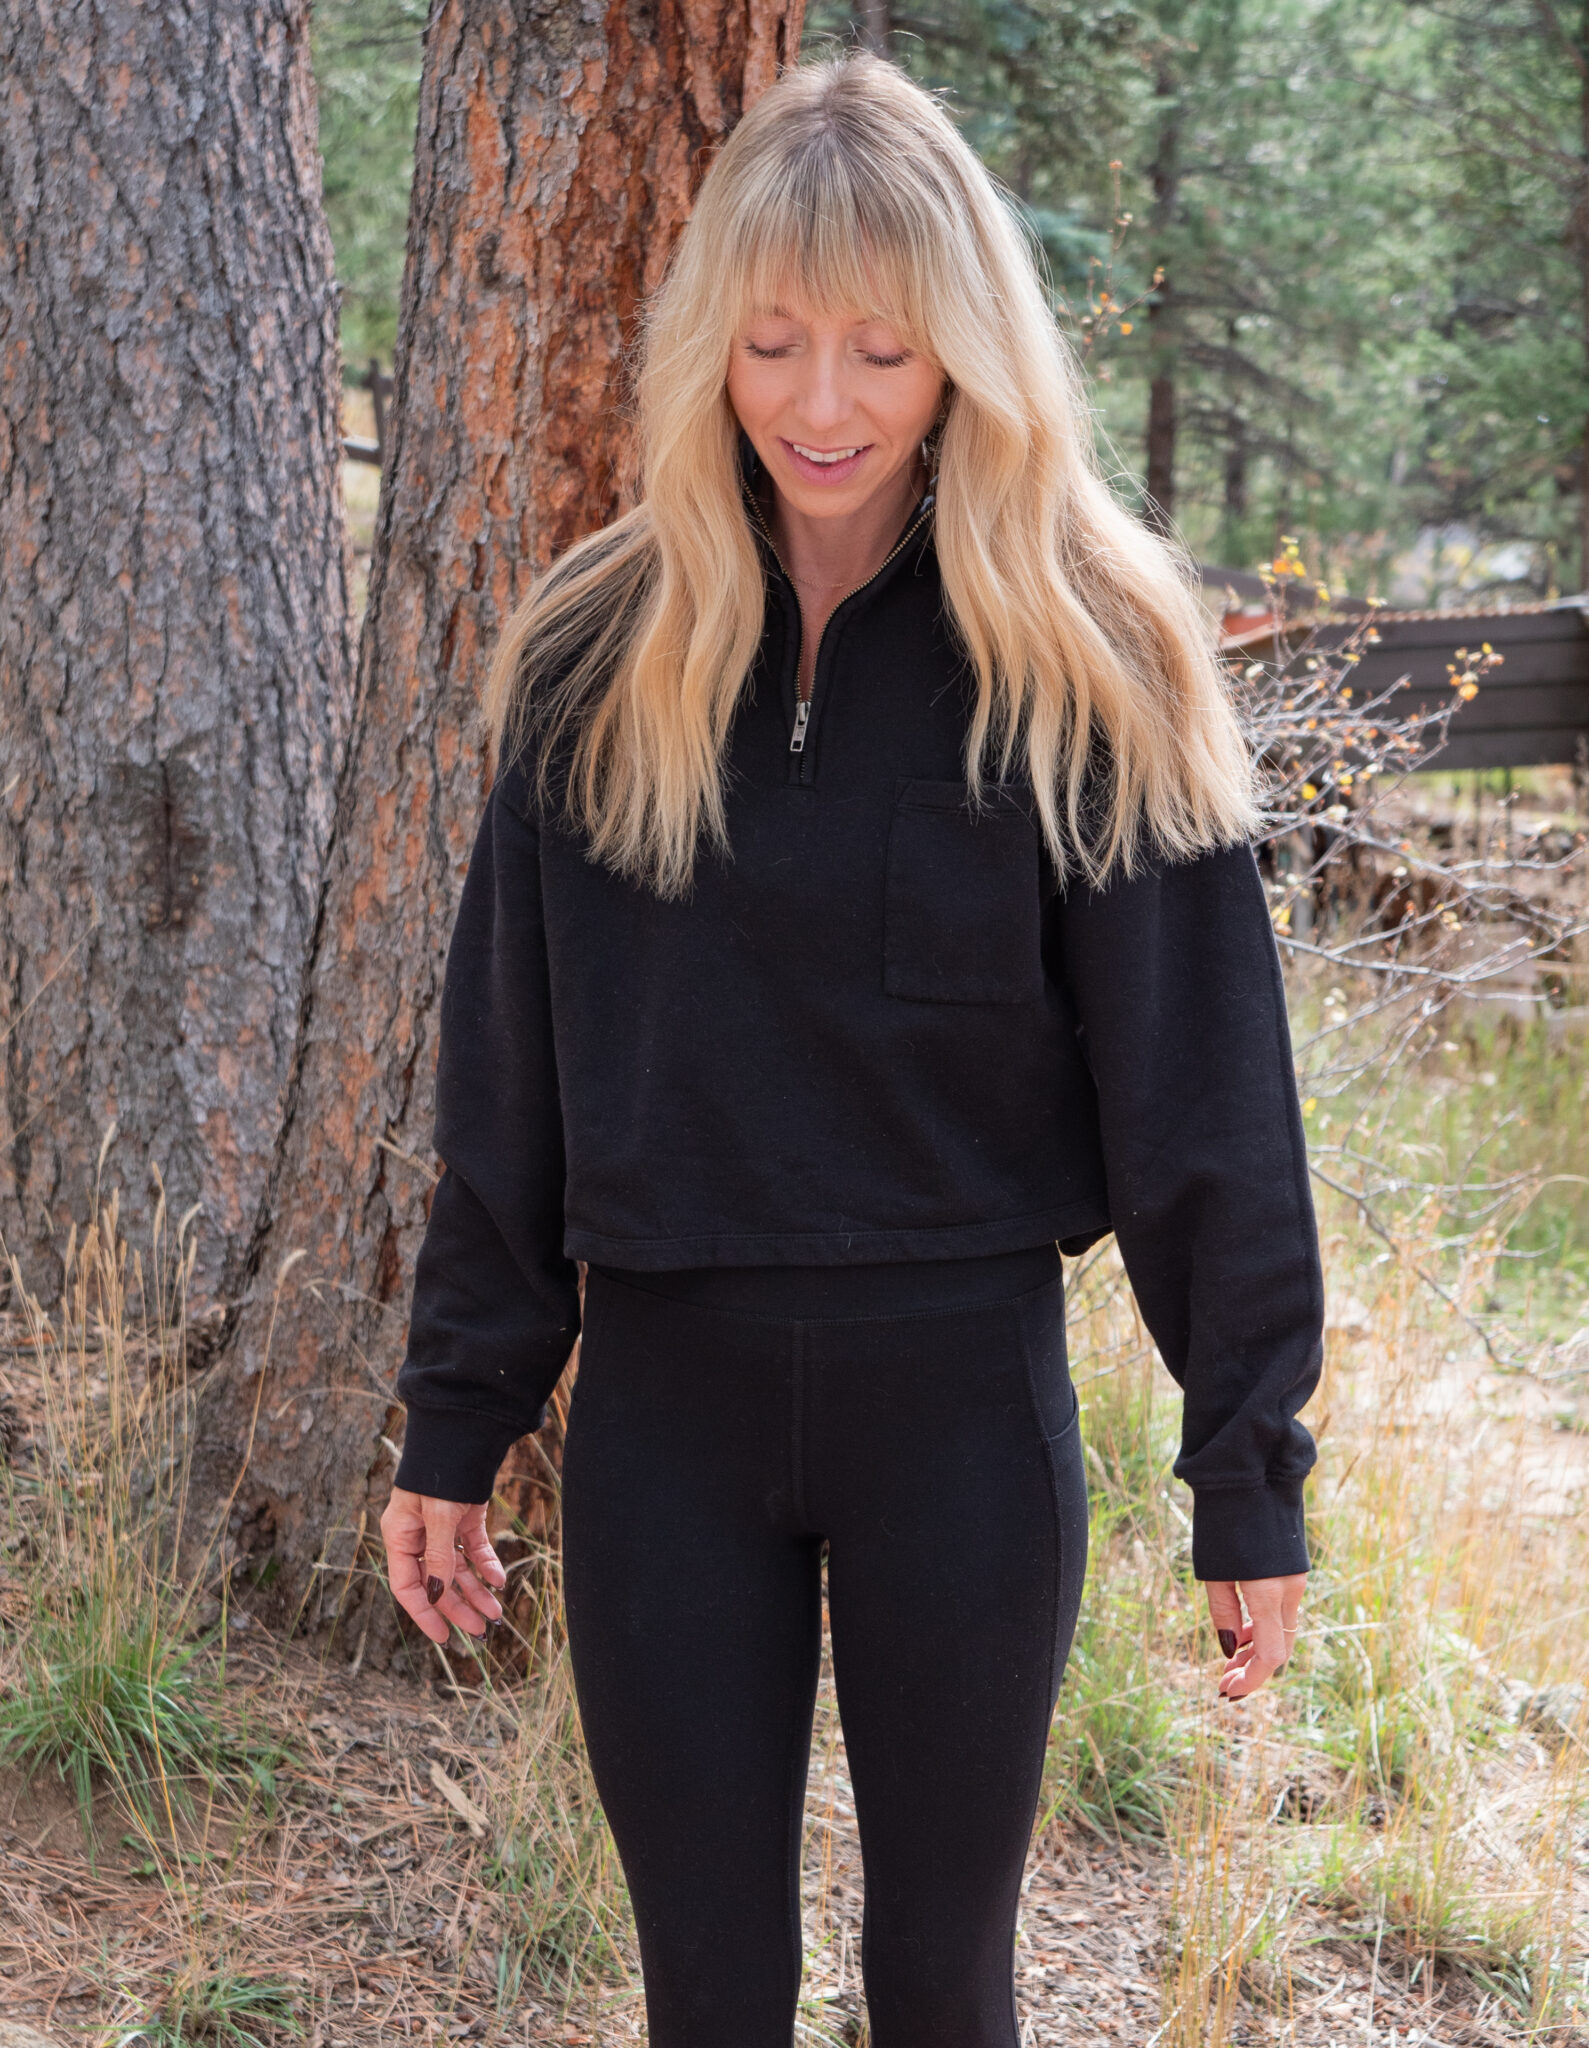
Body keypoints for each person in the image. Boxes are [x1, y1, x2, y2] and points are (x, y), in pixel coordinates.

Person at [378, 48, 1323, 2048]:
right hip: (663, 1423)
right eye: (778, 343)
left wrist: (1249, 1471)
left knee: (940, 1990)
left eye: (883, 352)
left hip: (962, 1418)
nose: (824, 406)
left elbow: (1206, 1097)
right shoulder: (590, 649)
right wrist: (459, 1414)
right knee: (706, 1996)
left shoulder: (1095, 653)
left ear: (968, 354)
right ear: (713, 336)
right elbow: (512, 1079)